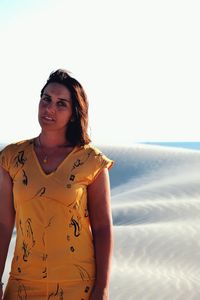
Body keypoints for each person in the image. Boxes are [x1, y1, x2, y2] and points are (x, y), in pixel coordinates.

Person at [0, 69, 114, 300]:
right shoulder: (11, 157)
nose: (50, 108)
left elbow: (102, 229)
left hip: (77, 285)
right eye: (46, 99)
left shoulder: (91, 161)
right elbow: (3, 224)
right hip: (23, 284)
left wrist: (101, 289)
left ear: (74, 113)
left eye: (61, 104)